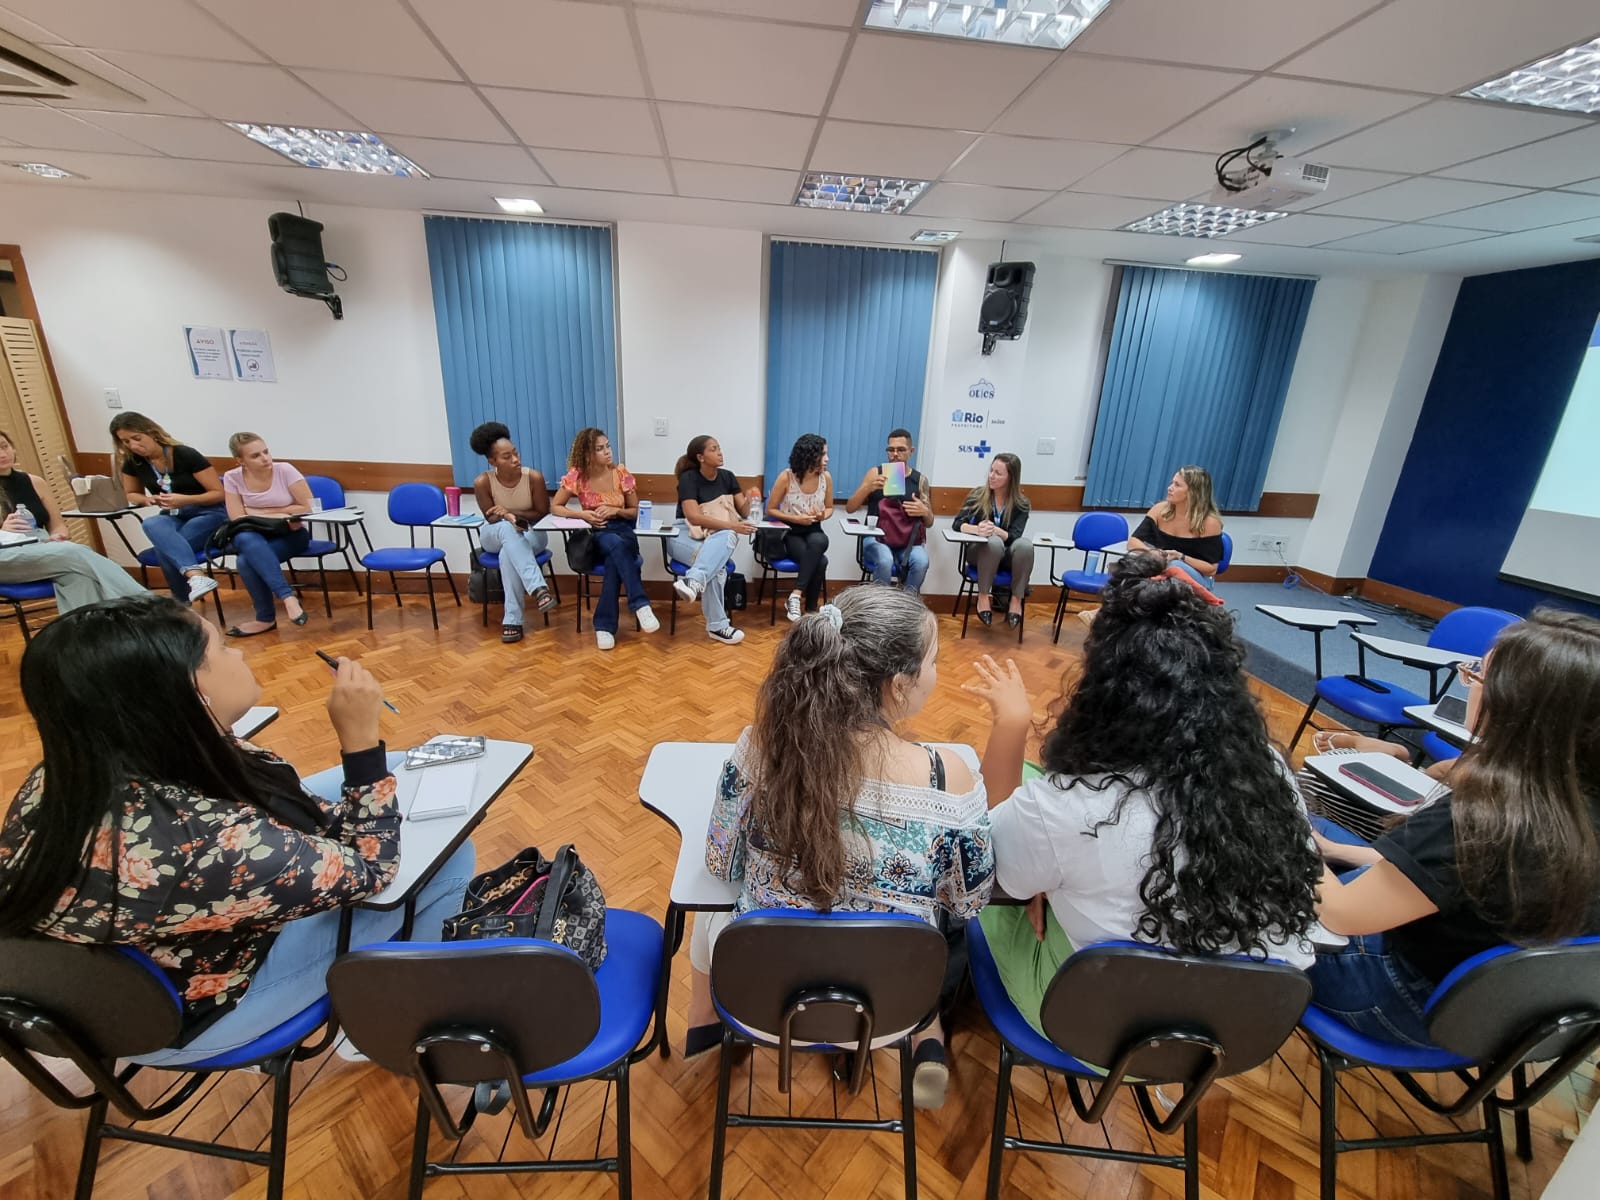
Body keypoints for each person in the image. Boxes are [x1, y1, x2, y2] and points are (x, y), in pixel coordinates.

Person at [0, 595, 476, 1064]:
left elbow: (275, 807)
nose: (240, 652)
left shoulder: (68, 772)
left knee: (388, 771)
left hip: (100, 989)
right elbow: (373, 868)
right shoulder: (207, 841)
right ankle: (401, 1026)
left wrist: (362, 775)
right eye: (222, 649)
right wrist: (359, 741)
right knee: (449, 854)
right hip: (186, 1015)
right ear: (189, 690)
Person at [966, 552, 1321, 1035]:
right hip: (1226, 1031)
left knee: (977, 877)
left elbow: (982, 868)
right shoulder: (1270, 773)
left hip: (1089, 1025)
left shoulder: (1072, 806)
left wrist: (1011, 724)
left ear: (1106, 688)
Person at [684, 587, 994, 1108]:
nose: (937, 672)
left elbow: (720, 860)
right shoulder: (948, 779)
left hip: (762, 995)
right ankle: (927, 1035)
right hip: (888, 1005)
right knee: (932, 922)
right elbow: (969, 902)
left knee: (708, 913)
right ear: (899, 685)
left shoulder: (762, 748)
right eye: (934, 661)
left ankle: (707, 1029)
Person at [1312, 610, 1600, 1048]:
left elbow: (1341, 914)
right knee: (1329, 840)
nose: (1469, 684)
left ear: (1514, 705)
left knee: (1251, 873)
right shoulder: (1566, 805)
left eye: (1477, 674)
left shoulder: (1482, 816)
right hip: (1510, 1018)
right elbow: (1459, 881)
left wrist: (1290, 838)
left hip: (1399, 1002)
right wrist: (1339, 851)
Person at [0, 428, 146, 612]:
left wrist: (58, 535)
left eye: (4, 446)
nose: (2, 454)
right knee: (75, 552)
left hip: (41, 547)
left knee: (78, 578)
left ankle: (87, 636)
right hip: (5, 556)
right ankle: (145, 604)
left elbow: (58, 525)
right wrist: (3, 532)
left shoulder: (35, 482)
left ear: (13, 448)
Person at [551, 427, 659, 650]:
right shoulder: (577, 476)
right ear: (588, 454)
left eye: (608, 446)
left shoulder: (621, 473)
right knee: (614, 547)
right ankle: (640, 604)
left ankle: (604, 626)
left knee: (616, 555)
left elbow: (634, 512)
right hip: (598, 532)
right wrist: (582, 514)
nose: (607, 452)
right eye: (600, 449)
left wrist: (615, 510)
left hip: (624, 529)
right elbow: (556, 507)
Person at [112, 412, 227, 605]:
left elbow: (218, 493)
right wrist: (148, 499)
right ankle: (196, 577)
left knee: (164, 549)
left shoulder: (184, 454)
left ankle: (181, 605)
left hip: (209, 512)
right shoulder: (134, 462)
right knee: (152, 522)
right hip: (173, 514)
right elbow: (131, 493)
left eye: (136, 438)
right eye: (125, 441)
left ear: (152, 433)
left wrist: (185, 500)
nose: (133, 446)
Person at [468, 421, 555, 645]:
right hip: (494, 534)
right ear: (492, 461)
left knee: (509, 551)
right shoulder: (482, 482)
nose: (515, 459)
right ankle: (538, 587)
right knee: (506, 531)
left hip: (530, 532)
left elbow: (541, 513)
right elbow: (491, 517)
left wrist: (510, 511)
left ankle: (512, 619)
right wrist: (506, 517)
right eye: (507, 457)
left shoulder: (533, 477)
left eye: (515, 453)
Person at [218, 433, 313, 637]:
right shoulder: (232, 477)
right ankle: (287, 598)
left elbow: (308, 507)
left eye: (266, 451)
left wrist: (261, 513)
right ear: (240, 461)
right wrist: (283, 511)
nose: (265, 458)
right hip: (255, 537)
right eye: (255, 456)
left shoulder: (285, 470)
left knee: (245, 560)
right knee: (244, 542)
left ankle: (265, 618)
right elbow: (237, 518)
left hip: (291, 535)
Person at [669, 434, 756, 646]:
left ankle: (694, 580)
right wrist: (733, 526)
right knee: (717, 563)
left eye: (719, 448)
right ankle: (718, 626)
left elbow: (742, 511)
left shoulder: (727, 477)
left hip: (714, 536)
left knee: (724, 543)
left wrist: (750, 498)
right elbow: (693, 517)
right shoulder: (689, 478)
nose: (720, 452)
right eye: (713, 449)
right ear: (700, 457)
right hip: (684, 534)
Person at [846, 427, 934, 594]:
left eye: (901, 450)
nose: (895, 454)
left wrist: (924, 511)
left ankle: (907, 606)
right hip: (876, 538)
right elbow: (850, 508)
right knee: (885, 560)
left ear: (911, 451)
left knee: (921, 561)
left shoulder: (920, 480)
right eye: (891, 449)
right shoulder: (875, 473)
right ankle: (882, 609)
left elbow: (929, 523)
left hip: (907, 541)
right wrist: (867, 487)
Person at [953, 452, 1033, 628]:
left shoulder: (1022, 503)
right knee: (993, 542)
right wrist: (978, 529)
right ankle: (983, 597)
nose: (992, 476)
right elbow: (958, 524)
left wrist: (996, 530)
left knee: (1025, 545)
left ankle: (1016, 600)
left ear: (1011, 478)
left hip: (1006, 556)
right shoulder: (977, 495)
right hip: (979, 552)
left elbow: (1014, 536)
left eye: (998, 473)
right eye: (991, 470)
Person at [766, 433, 833, 622]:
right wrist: (796, 518)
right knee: (820, 562)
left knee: (820, 540)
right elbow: (771, 509)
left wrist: (822, 515)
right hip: (790, 531)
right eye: (823, 454)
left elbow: (829, 508)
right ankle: (811, 611)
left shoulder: (826, 478)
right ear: (809, 456)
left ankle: (795, 595)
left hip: (813, 529)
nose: (827, 459)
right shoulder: (786, 477)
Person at [1127, 466, 1225, 586]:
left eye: (1177, 485)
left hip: (1198, 578)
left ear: (1193, 493)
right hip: (1162, 570)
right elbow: (1133, 543)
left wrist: (1180, 557)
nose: (1170, 488)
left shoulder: (1210, 522)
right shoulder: (1159, 510)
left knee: (1174, 566)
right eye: (1172, 483)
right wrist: (1153, 553)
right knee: (1131, 564)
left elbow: (1211, 569)